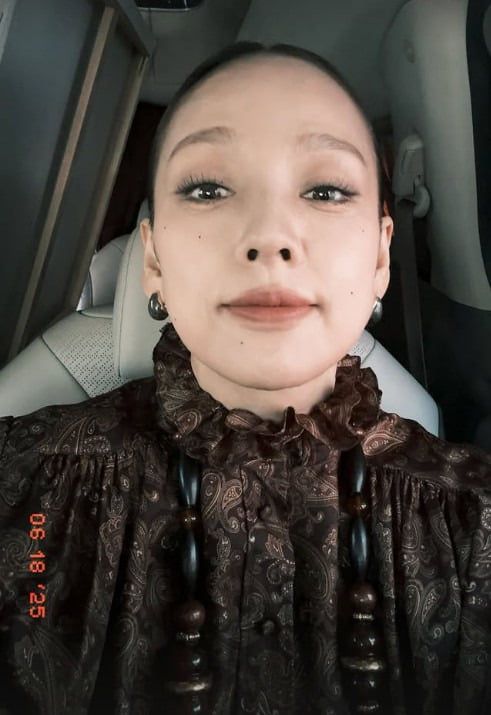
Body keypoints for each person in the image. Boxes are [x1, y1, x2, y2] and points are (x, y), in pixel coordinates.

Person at [0, 41, 490, 715]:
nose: (269, 237)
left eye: (325, 190)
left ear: (380, 256)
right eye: (208, 189)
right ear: (153, 260)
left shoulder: (472, 522)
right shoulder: (24, 487)